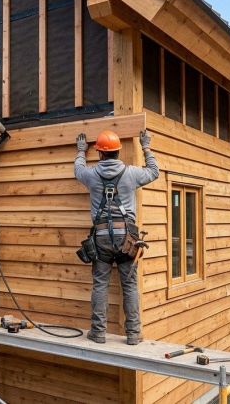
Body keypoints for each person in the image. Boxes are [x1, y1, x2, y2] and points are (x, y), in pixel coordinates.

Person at [74, 129, 159, 345]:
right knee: (129, 285)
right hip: (127, 238)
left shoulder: (91, 174)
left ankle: (98, 332)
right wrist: (146, 146)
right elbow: (153, 171)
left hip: (101, 238)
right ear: (118, 152)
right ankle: (133, 334)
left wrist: (81, 151)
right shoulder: (131, 173)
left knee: (100, 284)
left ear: (100, 154)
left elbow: (78, 169)